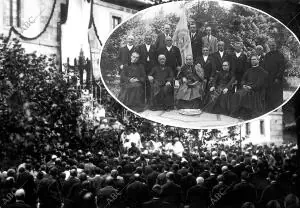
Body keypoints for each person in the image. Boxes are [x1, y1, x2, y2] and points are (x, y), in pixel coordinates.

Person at [263, 41, 285, 111]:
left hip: (276, 79)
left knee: (276, 95)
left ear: (276, 46)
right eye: (271, 46)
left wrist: (278, 77)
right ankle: (268, 109)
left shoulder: (280, 55)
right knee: (268, 94)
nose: (272, 47)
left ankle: (277, 109)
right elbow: (264, 66)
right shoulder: (267, 55)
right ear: (269, 47)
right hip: (268, 78)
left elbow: (282, 67)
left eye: (273, 45)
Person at [136, 34, 157, 104]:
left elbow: (156, 58)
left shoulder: (154, 47)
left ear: (151, 40)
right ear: (144, 39)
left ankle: (149, 101)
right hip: (142, 68)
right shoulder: (140, 47)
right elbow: (137, 58)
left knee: (149, 85)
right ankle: (141, 102)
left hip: (151, 69)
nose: (148, 40)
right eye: (147, 39)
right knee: (142, 84)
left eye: (149, 39)